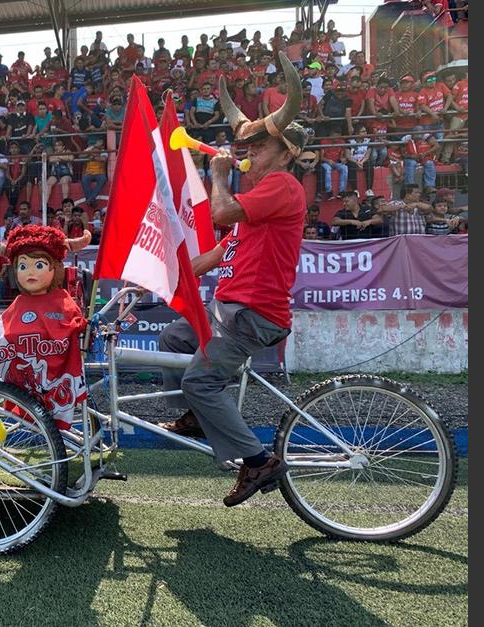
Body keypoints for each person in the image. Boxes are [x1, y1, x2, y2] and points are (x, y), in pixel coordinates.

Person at [158, 53, 306, 507]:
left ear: (286, 154)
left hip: (252, 313)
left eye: (258, 149)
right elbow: (222, 251)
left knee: (199, 382)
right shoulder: (261, 197)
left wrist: (218, 174)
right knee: (172, 338)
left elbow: (221, 211)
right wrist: (169, 275)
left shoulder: (281, 186)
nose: (248, 157)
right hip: (228, 309)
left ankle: (258, 459)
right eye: (246, 150)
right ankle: (200, 416)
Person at [0, 225, 90, 429]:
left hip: (56, 378)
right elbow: (4, 327)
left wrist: (76, 326)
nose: (30, 272)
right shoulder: (19, 303)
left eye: (38, 265)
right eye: (23, 266)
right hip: (23, 379)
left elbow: (73, 320)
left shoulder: (61, 300)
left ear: (54, 267)